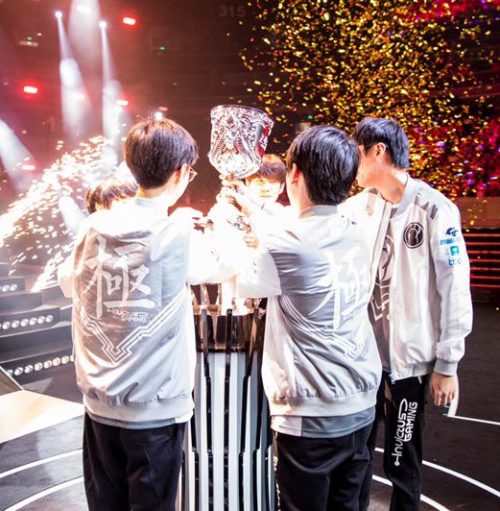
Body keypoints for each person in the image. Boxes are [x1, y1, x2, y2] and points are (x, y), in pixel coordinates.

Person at [61, 118, 237, 511]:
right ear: (180, 173)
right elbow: (227, 263)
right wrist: (225, 219)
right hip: (155, 409)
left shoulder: (93, 227)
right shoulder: (177, 234)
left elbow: (67, 282)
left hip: (99, 405)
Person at [225, 125, 382, 510]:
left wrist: (233, 227)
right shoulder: (359, 231)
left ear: (294, 174)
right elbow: (302, 233)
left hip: (311, 412)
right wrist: (255, 209)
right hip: (361, 402)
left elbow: (245, 280)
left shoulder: (285, 242)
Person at [342, 117, 473, 510]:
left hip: (409, 365)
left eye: (357, 154)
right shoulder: (358, 207)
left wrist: (447, 363)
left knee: (401, 460)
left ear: (378, 151)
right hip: (363, 360)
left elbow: (454, 287)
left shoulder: (435, 209)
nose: (352, 166)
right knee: (356, 459)